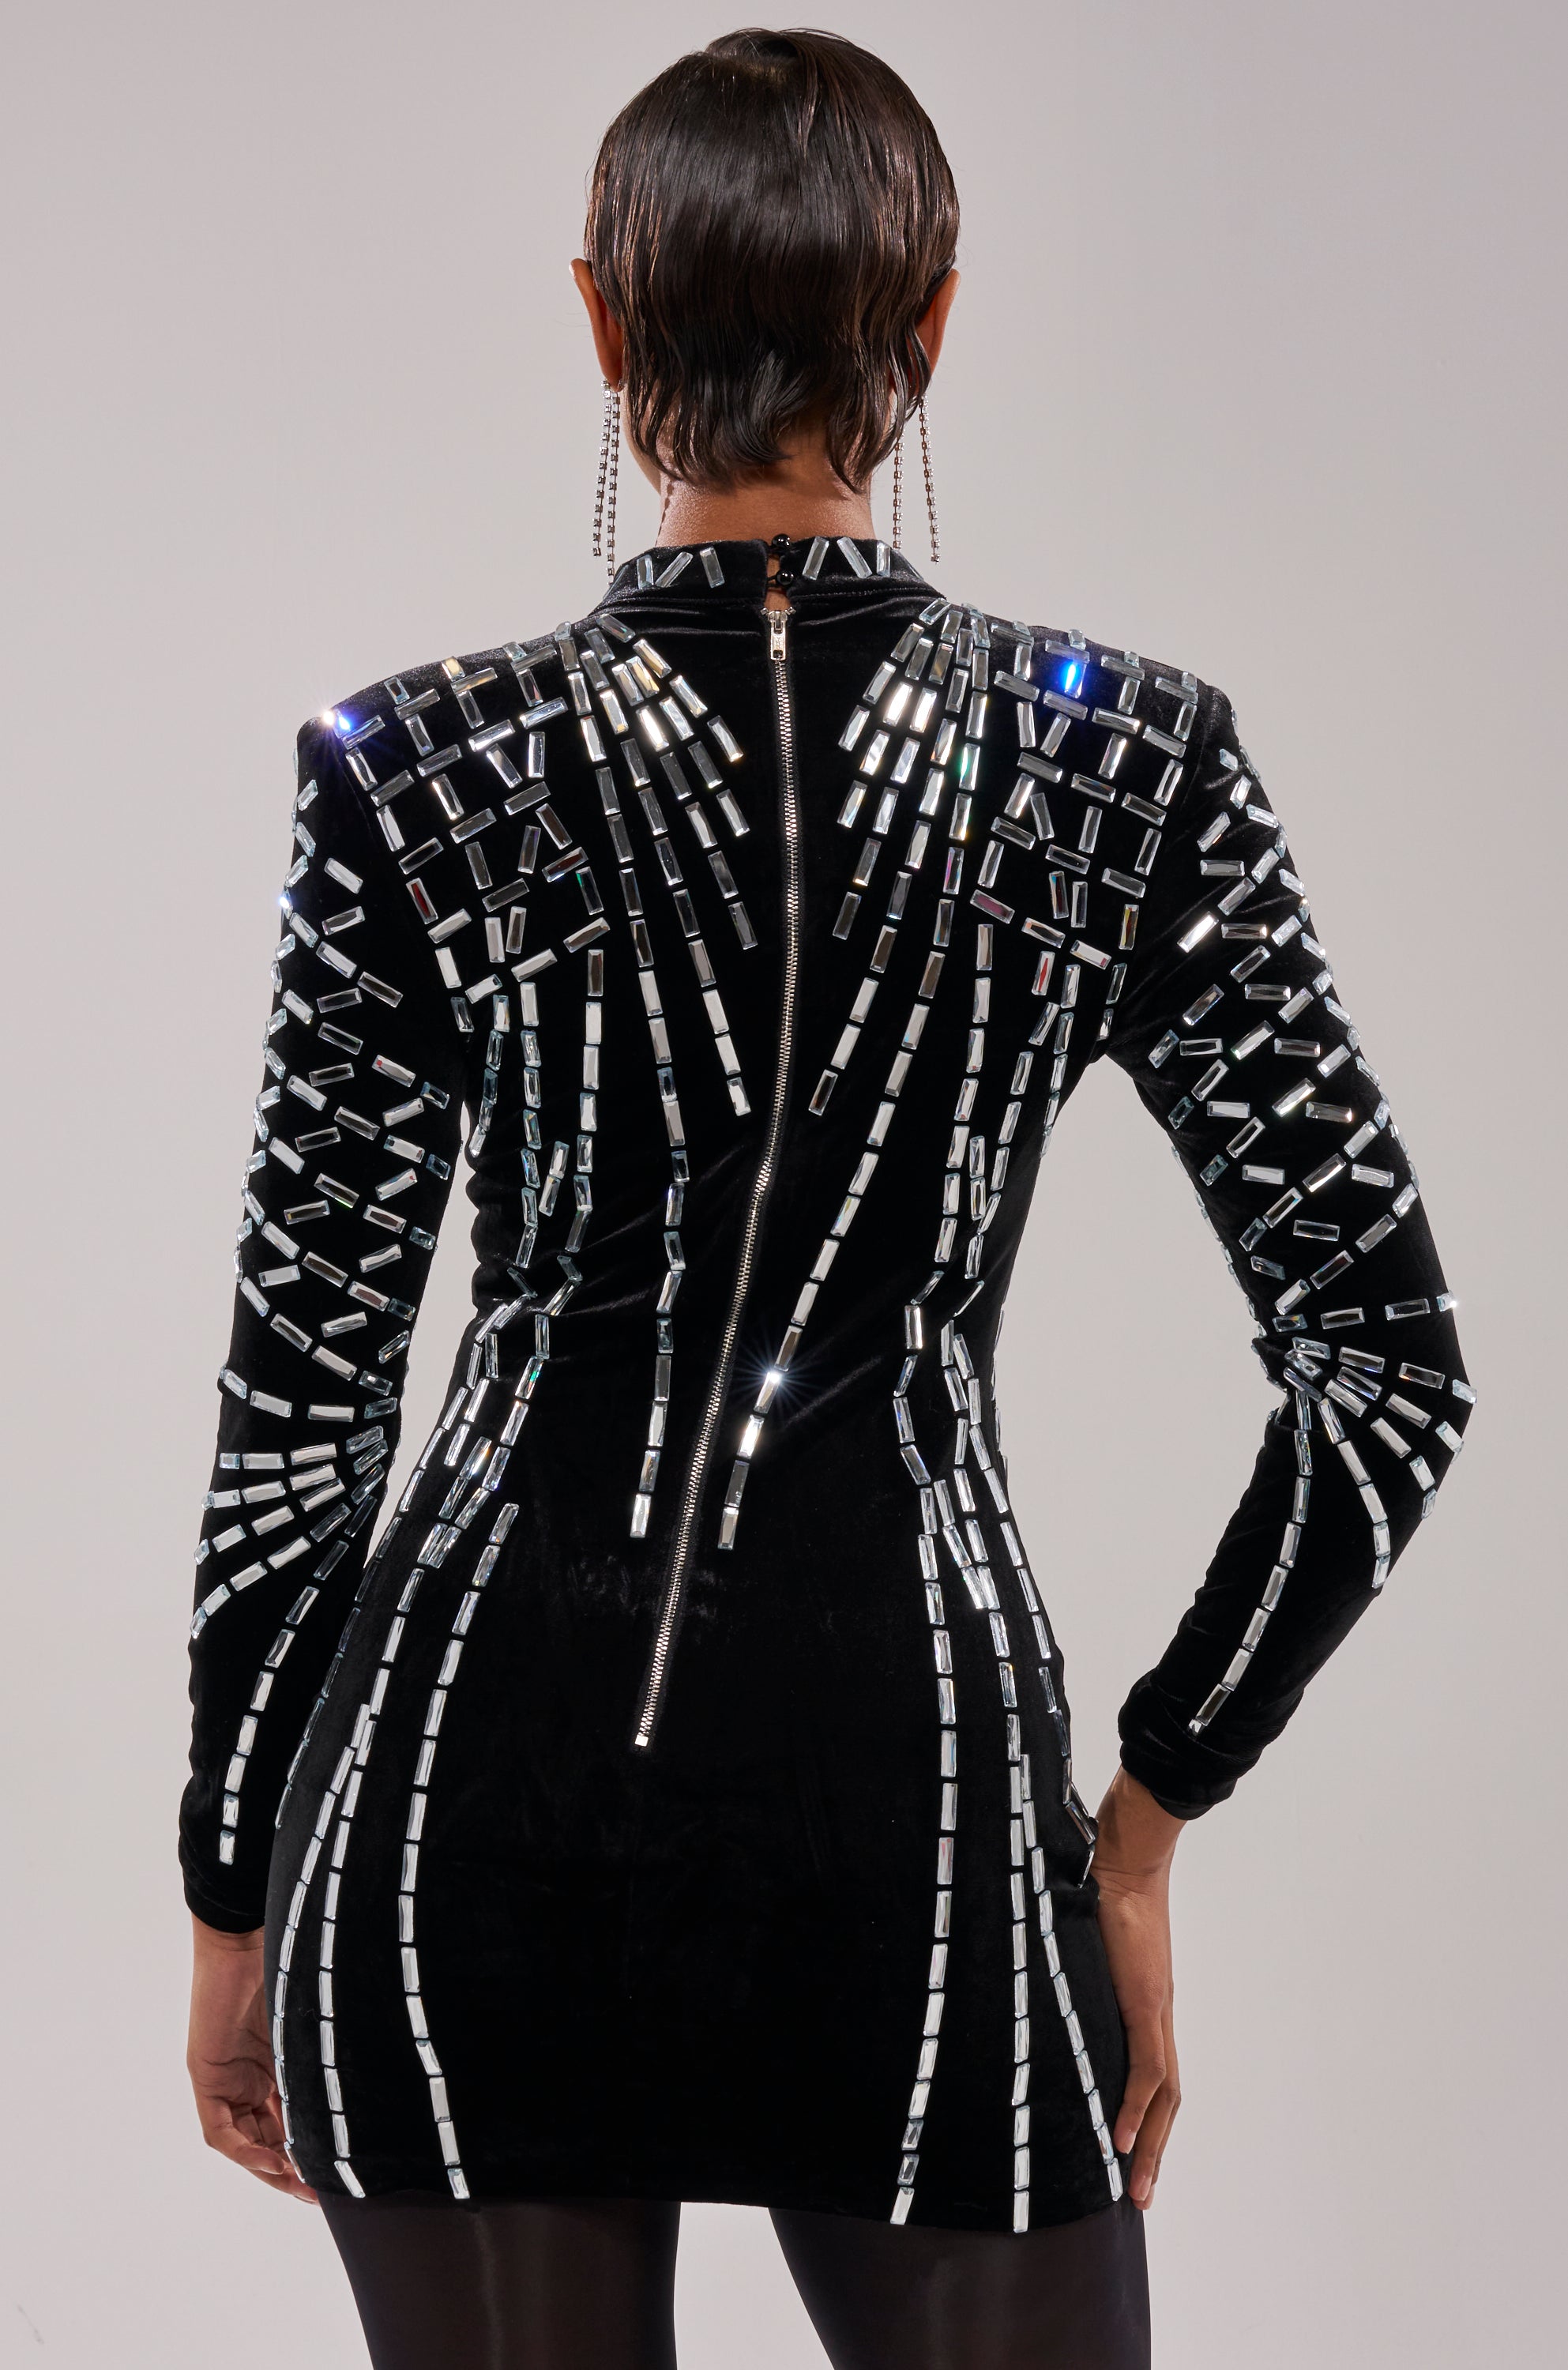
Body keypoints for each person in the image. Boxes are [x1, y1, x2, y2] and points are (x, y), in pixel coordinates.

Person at [181, 28, 1472, 2368]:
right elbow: (1388, 1378)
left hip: (459, 1836)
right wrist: (1146, 1819)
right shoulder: (1121, 765)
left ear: (597, 320)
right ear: (934, 326)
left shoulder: (414, 772)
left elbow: (305, 1419)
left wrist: (230, 1884)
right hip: (925, 1840)